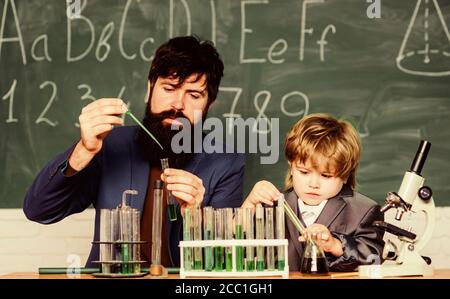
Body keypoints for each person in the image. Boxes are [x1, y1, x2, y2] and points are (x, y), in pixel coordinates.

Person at [23, 36, 245, 268]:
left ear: (209, 105)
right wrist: (82, 151)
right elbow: (38, 210)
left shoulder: (226, 162)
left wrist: (196, 217)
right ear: (149, 90)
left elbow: (221, 263)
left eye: (194, 95)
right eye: (169, 88)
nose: (178, 104)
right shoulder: (111, 143)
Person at [242, 113, 384, 272]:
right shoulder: (271, 205)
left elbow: (374, 258)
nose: (313, 184)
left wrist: (335, 245)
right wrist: (249, 204)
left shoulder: (364, 210)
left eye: (325, 175)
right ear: (291, 165)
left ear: (345, 175)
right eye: (304, 172)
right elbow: (237, 251)